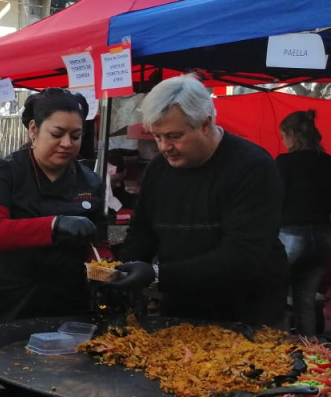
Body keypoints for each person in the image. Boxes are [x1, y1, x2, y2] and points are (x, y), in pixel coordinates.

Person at [111, 74, 287, 328]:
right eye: (158, 136)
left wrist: (157, 275)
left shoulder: (252, 167)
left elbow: (243, 256)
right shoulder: (159, 170)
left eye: (174, 136)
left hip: (247, 313)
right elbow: (143, 233)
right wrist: (121, 271)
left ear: (205, 124)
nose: (164, 147)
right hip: (180, 307)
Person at [0, 89, 103, 325]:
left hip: (68, 299)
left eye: (75, 136)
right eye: (57, 134)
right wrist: (56, 224)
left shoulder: (90, 180)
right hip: (12, 298)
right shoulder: (6, 170)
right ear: (33, 129)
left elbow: (98, 242)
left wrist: (109, 270)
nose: (67, 143)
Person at [276, 109, 331, 335]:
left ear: (290, 134)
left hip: (290, 238)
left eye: (282, 136)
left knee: (276, 300)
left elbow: (269, 201)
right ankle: (310, 355)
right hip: (323, 239)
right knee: (305, 302)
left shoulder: (283, 163)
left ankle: (279, 353)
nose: (283, 141)